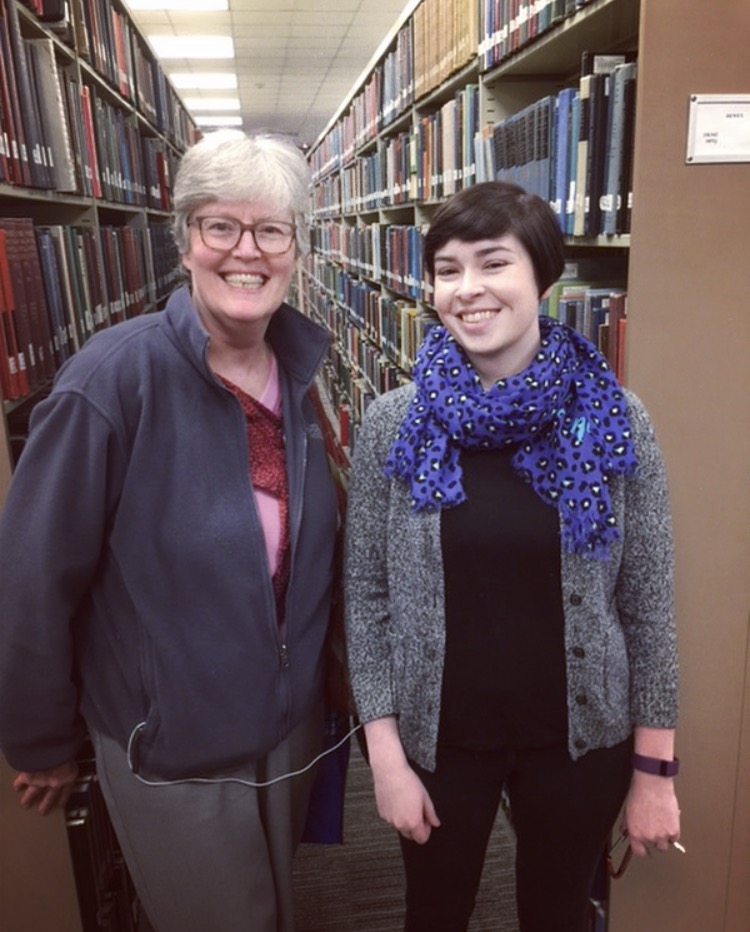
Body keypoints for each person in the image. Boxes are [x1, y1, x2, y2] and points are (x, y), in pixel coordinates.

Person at [0, 130, 340, 932]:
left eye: (271, 230)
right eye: (220, 226)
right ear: (185, 239)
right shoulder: (112, 381)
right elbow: (32, 575)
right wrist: (40, 737)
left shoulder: (296, 371)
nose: (245, 251)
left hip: (285, 729)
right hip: (173, 743)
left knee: (277, 909)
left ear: (296, 247)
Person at [344, 181, 680, 932]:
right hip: (438, 742)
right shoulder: (392, 423)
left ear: (543, 276)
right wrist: (387, 759)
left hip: (579, 744)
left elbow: (647, 604)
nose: (468, 290)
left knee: (558, 915)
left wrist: (656, 773)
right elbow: (367, 600)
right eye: (447, 269)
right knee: (434, 914)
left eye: (493, 264)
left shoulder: (615, 420)